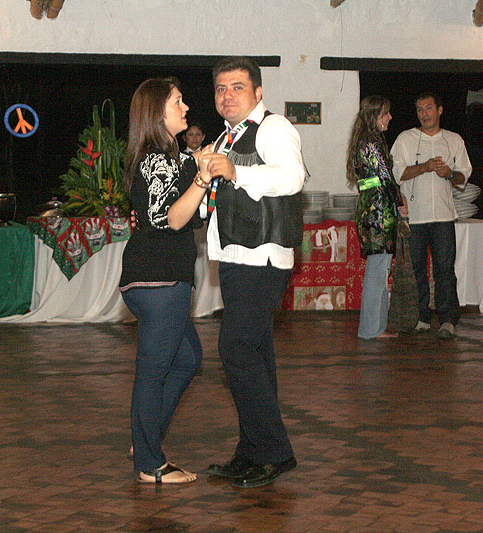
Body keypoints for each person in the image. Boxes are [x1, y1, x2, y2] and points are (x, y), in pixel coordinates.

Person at [200, 56, 305, 488]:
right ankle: (252, 452)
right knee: (256, 355)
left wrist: (234, 170)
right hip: (236, 257)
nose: (227, 96)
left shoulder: (273, 127)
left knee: (236, 350)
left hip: (261, 257)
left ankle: (275, 452)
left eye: (237, 87)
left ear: (258, 92)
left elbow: (292, 177)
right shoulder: (226, 137)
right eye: (221, 89)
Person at [119, 77, 211, 484]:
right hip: (158, 280)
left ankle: (145, 438)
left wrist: (197, 167)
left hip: (159, 278)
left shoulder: (166, 159)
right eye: (178, 101)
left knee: (188, 359)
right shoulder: (157, 159)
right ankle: (150, 464)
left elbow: (184, 209)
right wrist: (201, 178)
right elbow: (170, 219)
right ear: (158, 113)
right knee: (153, 372)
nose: (185, 107)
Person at [391, 93, 472, 339]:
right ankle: (421, 318)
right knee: (416, 270)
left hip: (443, 217)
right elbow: (397, 174)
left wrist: (449, 173)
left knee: (445, 270)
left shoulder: (453, 140)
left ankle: (448, 319)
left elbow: (463, 177)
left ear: (440, 110)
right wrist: (424, 167)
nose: (424, 114)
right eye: (419, 110)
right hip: (414, 218)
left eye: (428, 108)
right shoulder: (405, 138)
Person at [346, 95, 407, 339]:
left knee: (379, 270)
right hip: (378, 211)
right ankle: (371, 328)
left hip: (373, 208)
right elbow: (385, 176)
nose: (389, 117)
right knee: (378, 272)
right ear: (375, 116)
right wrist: (400, 201)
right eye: (385, 113)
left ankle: (377, 327)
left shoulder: (365, 140)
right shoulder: (371, 142)